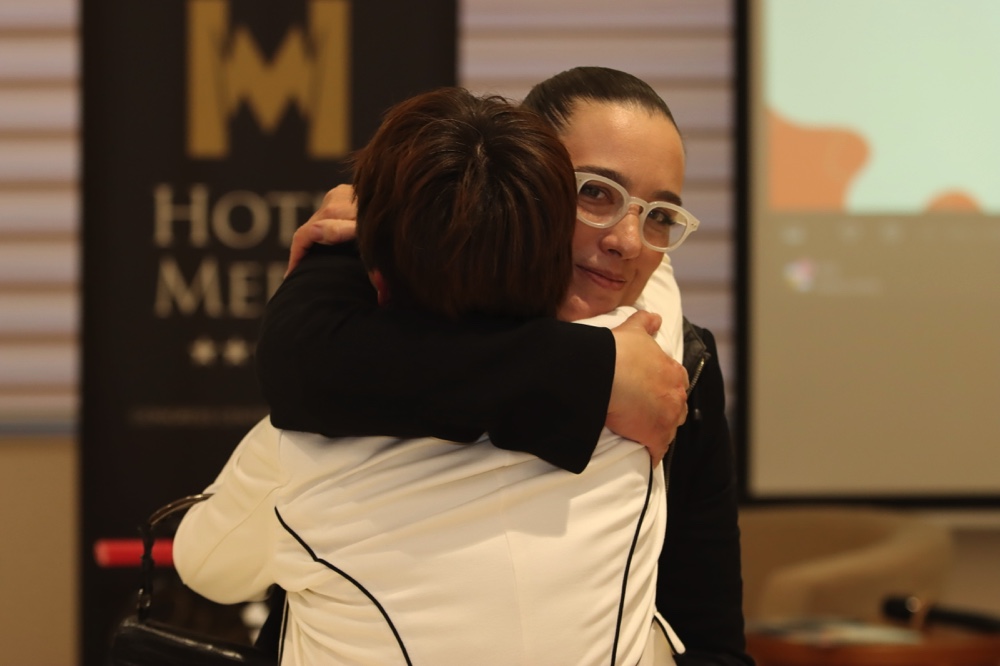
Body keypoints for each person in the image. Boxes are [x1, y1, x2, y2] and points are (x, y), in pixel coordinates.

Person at [258, 67, 752, 666]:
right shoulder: (398, 298)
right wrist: (601, 374)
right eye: (596, 193)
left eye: (660, 216)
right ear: (521, 179)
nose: (627, 240)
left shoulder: (680, 365)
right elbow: (299, 360)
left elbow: (708, 630)